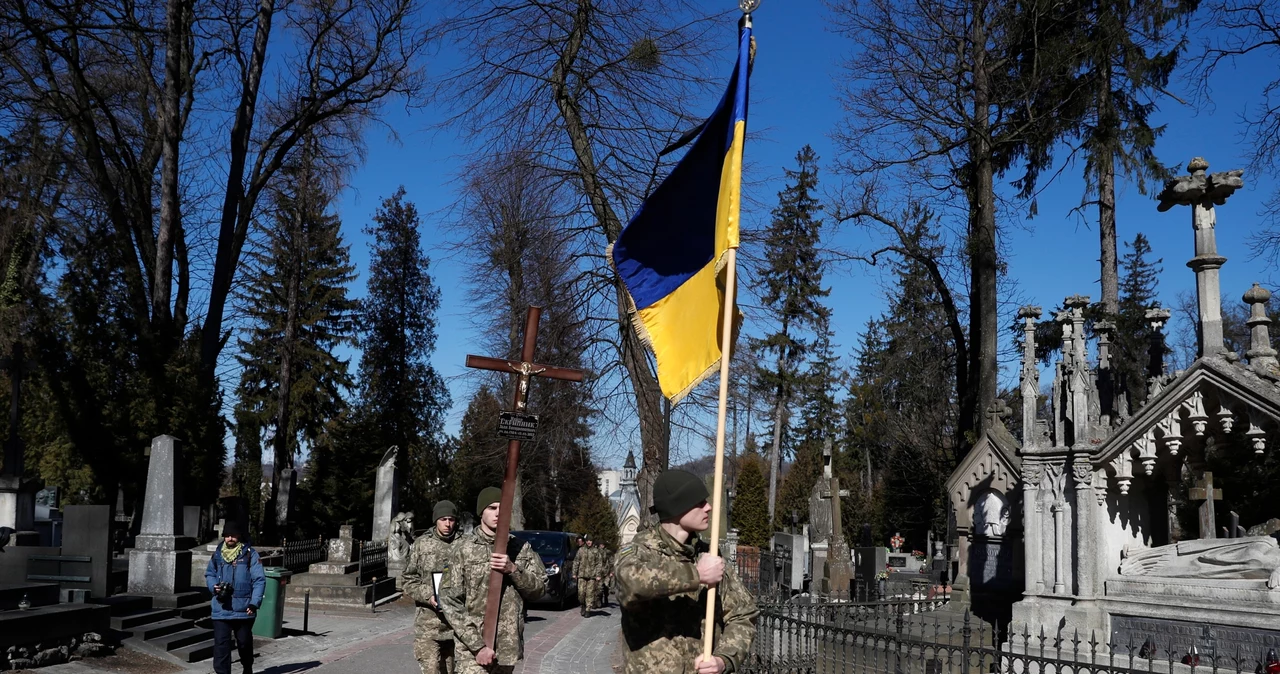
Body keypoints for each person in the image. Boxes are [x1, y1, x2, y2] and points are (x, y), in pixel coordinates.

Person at [615, 470, 757, 674]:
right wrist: (696, 575)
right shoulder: (639, 552)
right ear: (677, 506)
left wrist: (724, 659)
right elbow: (630, 585)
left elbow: (743, 614)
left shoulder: (709, 556)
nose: (708, 508)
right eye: (699, 503)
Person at [439, 487, 546, 674]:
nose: (498, 513)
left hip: (506, 650)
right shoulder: (463, 549)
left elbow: (540, 590)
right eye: (491, 508)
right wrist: (478, 646)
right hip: (472, 652)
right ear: (481, 512)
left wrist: (513, 569)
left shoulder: (520, 548)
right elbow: (449, 601)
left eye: (502, 507)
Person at [402, 500, 460, 674]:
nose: (448, 524)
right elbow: (408, 579)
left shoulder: (465, 544)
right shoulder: (421, 544)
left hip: (457, 626)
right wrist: (428, 595)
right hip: (428, 625)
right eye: (443, 519)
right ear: (436, 520)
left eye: (451, 519)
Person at [205, 520, 265, 674]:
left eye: (233, 535)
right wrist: (213, 587)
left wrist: (254, 603)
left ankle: (247, 667)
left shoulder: (250, 554)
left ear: (240, 536)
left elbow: (259, 580)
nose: (230, 538)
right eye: (227, 535)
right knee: (221, 645)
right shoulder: (218, 554)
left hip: (244, 609)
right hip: (221, 607)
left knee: (244, 643)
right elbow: (210, 574)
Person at [575, 535, 599, 617]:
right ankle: (583, 605)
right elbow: (576, 561)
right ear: (586, 541)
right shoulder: (581, 550)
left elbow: (599, 564)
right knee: (581, 593)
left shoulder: (596, 551)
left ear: (592, 542)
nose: (589, 542)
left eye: (590, 540)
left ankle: (588, 609)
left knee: (590, 593)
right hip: (581, 575)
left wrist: (598, 575)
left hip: (592, 576)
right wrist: (574, 573)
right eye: (588, 540)